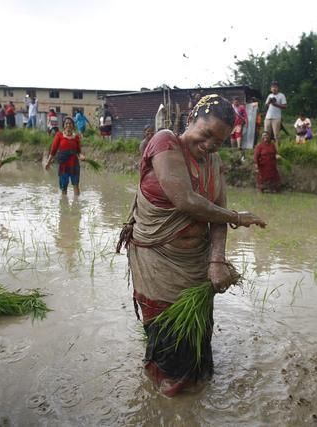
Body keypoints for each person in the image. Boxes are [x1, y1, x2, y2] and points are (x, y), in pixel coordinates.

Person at [117, 94, 266, 397]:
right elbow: (185, 200)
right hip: (158, 261)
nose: (211, 144)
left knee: (197, 340)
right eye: (206, 134)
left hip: (196, 264)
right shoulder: (165, 141)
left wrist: (217, 261)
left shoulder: (214, 162)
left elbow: (217, 219)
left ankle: (194, 394)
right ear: (189, 121)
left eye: (220, 141)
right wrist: (239, 216)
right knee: (167, 342)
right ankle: (165, 399)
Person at [45, 117, 86, 196]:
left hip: (74, 165)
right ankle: (64, 205)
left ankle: (77, 204)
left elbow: (79, 152)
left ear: (73, 126)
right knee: (64, 187)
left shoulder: (76, 137)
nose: (68, 125)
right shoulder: (59, 135)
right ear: (64, 125)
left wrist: (81, 156)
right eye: (66, 123)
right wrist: (48, 162)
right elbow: (53, 150)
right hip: (63, 165)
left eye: (70, 123)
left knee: (76, 185)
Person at [264, 81, 287, 151]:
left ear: (278, 88)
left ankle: (277, 150)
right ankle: (267, 149)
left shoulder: (281, 95)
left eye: (275, 87)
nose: (274, 88)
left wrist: (275, 104)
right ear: (271, 88)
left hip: (276, 118)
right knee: (266, 134)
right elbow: (266, 106)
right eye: (273, 87)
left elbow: (285, 106)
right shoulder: (269, 95)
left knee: (276, 135)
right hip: (268, 117)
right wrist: (269, 102)